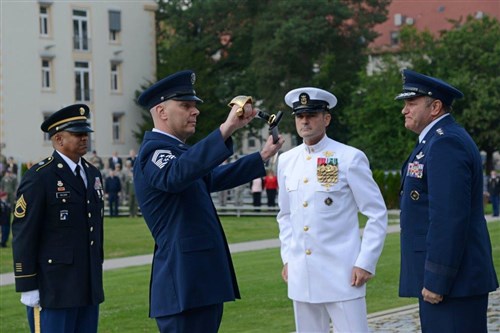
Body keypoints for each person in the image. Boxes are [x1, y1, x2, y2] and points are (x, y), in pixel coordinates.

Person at [133, 69, 283, 333]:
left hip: (198, 280)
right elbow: (175, 175)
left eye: (194, 106)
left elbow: (210, 177)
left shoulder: (177, 151)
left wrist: (261, 157)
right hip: (183, 284)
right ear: (162, 112)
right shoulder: (155, 151)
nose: (195, 111)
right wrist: (226, 129)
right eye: (186, 105)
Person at [277, 87, 388, 333]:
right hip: (301, 275)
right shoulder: (286, 161)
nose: (304, 121)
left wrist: (366, 262)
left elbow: (377, 213)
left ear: (326, 118)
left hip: (343, 274)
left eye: (312, 115)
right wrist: (287, 257)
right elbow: (285, 215)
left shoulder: (349, 157)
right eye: (299, 116)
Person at [396, 69, 499, 332]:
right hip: (450, 281)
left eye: (411, 103)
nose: (404, 111)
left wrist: (437, 280)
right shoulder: (433, 141)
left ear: (435, 107)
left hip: (452, 283)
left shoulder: (445, 143)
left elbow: (448, 218)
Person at [11, 104, 105, 333]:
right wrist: (27, 283)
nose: (85, 138)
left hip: (87, 284)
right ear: (58, 139)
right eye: (77, 134)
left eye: (86, 133)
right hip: (53, 287)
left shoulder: (92, 174)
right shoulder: (41, 177)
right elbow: (24, 232)